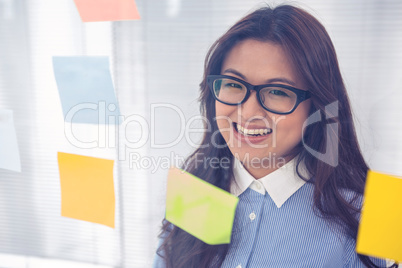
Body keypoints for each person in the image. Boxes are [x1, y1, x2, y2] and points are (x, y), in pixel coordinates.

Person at [153, 4, 397, 268]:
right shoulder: (192, 192)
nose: (248, 113)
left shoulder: (372, 214)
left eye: (278, 91)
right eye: (234, 85)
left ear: (317, 107)